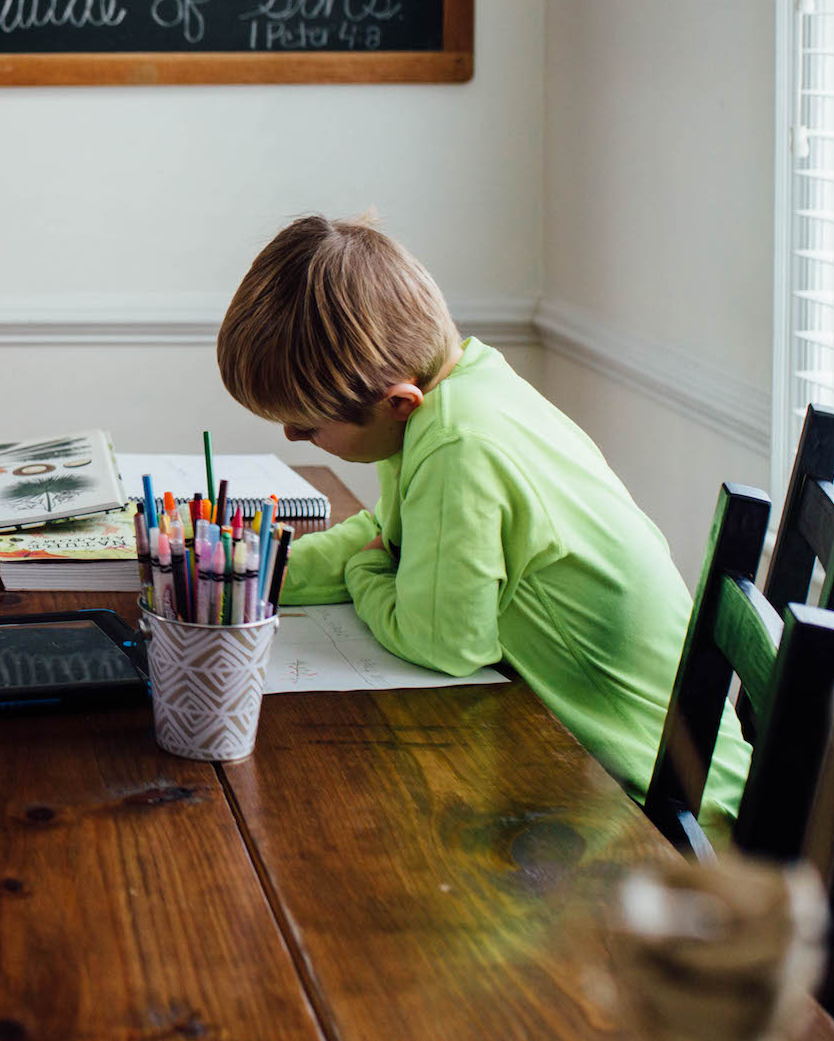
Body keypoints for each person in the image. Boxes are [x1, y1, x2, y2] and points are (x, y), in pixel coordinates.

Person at [216, 213, 750, 817]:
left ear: (397, 402)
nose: (290, 435)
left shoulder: (457, 446)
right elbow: (388, 535)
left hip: (656, 804)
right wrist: (260, 569)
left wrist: (367, 580)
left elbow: (445, 643)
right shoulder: (465, 390)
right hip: (660, 771)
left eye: (307, 427)